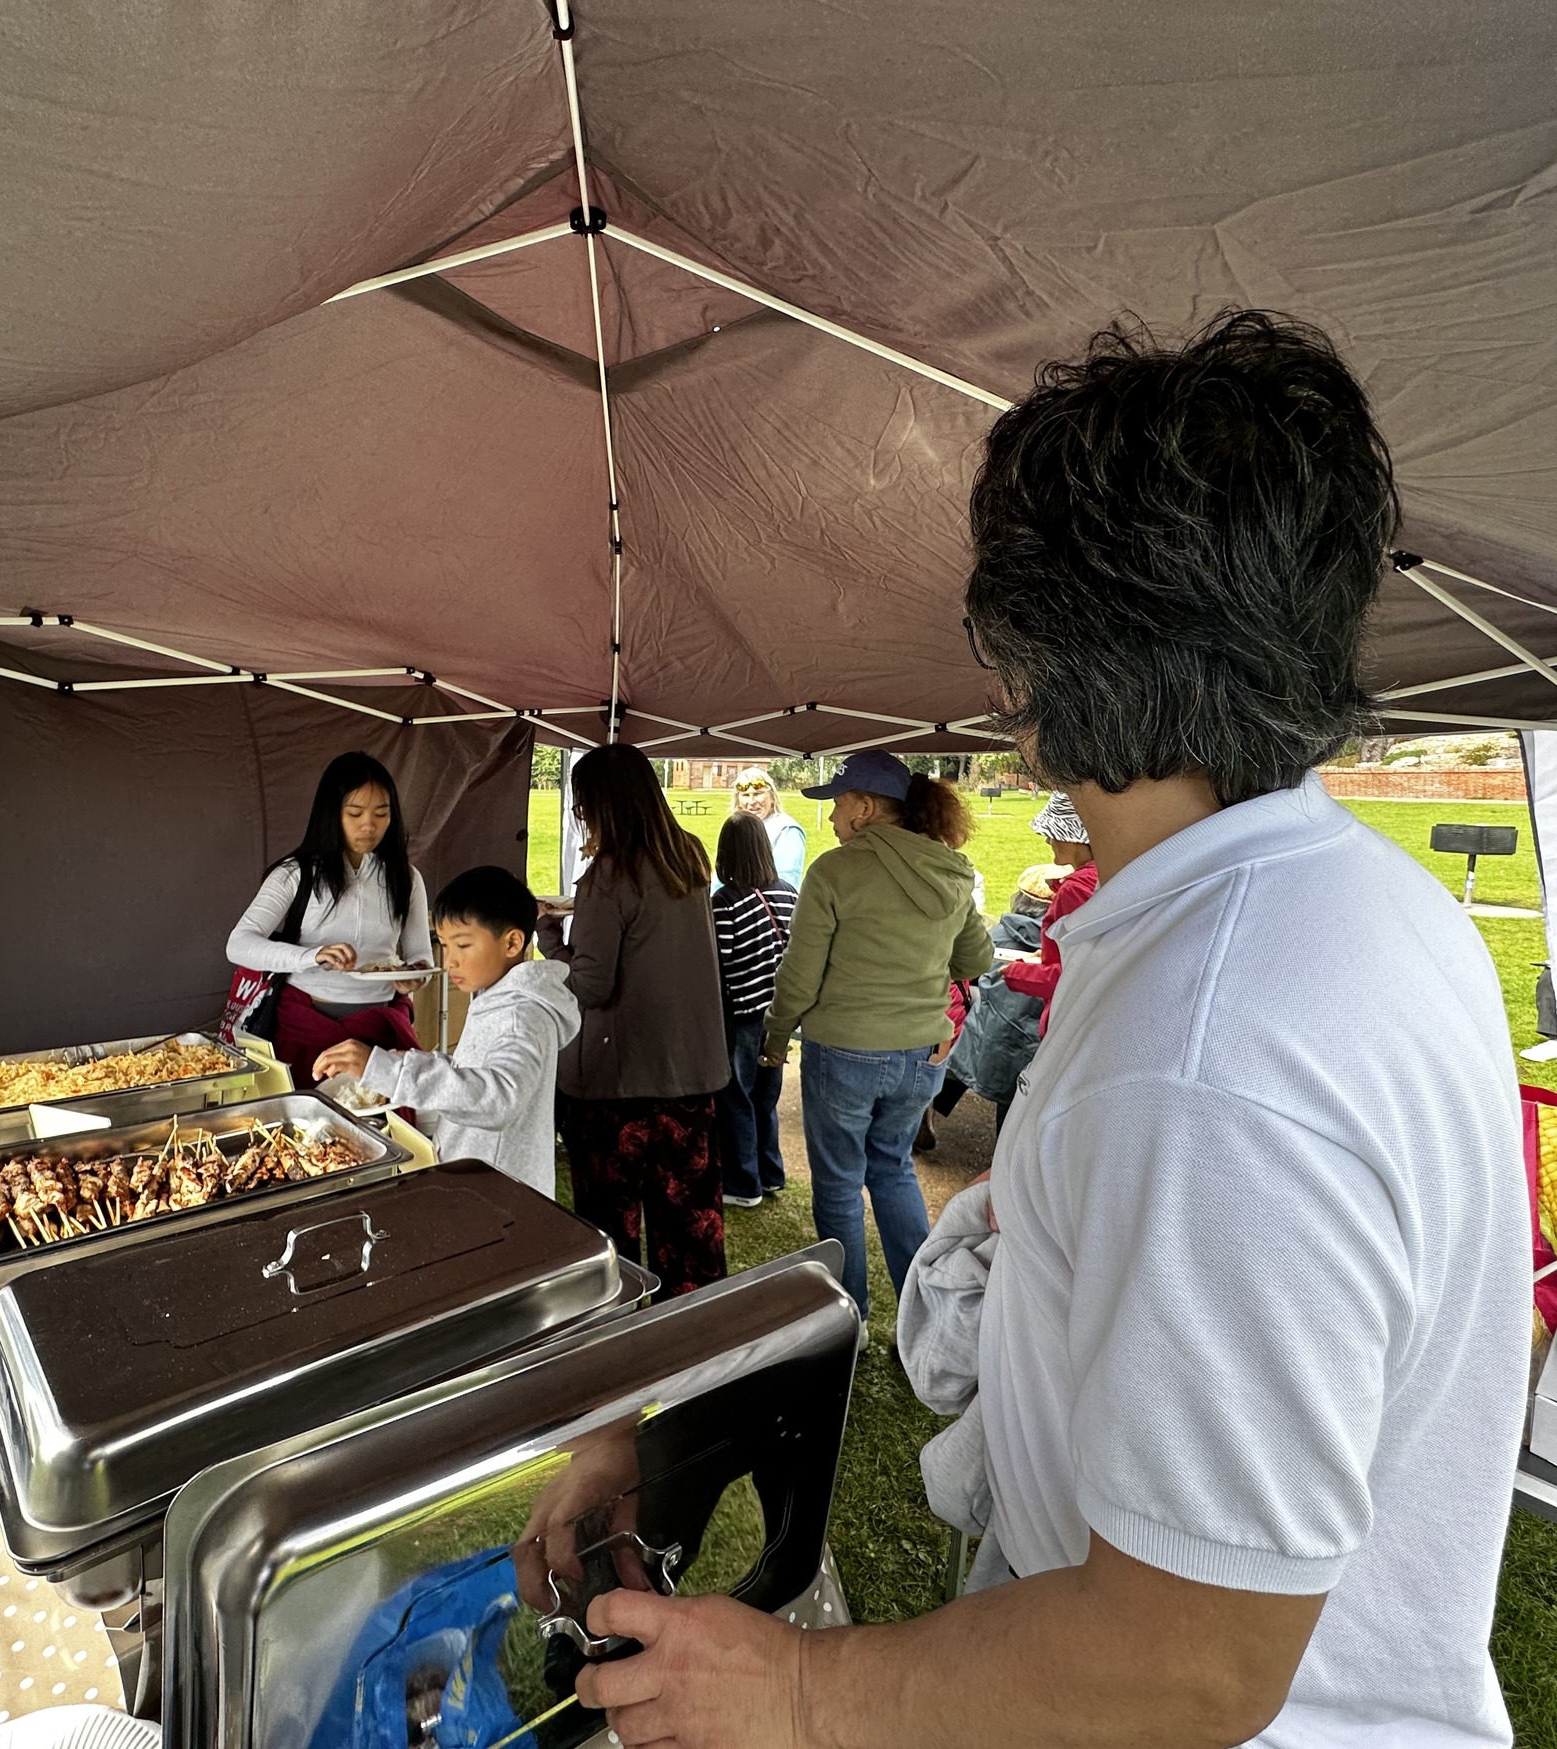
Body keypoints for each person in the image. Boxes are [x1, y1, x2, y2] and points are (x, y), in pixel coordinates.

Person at [571, 314, 1526, 1749]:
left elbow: (1187, 1662)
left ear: (1042, 664)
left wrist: (800, 1692)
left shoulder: (1207, 1051)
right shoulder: (1355, 902)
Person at [760, 748, 992, 1318]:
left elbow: (799, 972)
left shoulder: (835, 870)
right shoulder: (951, 869)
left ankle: (851, 1316)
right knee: (893, 1170)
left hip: (846, 1050)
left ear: (864, 808)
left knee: (839, 1184)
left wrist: (775, 1036)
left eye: (838, 804)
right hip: (921, 1056)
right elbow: (976, 959)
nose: (832, 818)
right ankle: (926, 1317)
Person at [537, 744, 730, 1297]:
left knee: (610, 1237)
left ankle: (621, 1331)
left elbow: (592, 985)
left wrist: (549, 938)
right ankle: (693, 1330)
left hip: (617, 1087)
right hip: (691, 1077)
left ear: (598, 805)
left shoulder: (608, 875)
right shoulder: (687, 857)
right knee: (689, 1231)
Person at [312, 866, 578, 1196]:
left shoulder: (521, 1015)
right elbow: (477, 1071)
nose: (450, 961)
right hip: (477, 1179)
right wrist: (411, 1062)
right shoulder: (498, 996)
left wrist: (390, 1072)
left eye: (463, 946)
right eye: (445, 945)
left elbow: (499, 1099)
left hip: (500, 1193)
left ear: (512, 943)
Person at [225, 751, 431, 1088]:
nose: (369, 825)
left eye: (381, 813)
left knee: (379, 1117)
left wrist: (416, 977)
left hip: (377, 1033)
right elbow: (239, 944)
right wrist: (312, 956)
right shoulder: (296, 874)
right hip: (304, 1027)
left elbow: (420, 954)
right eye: (355, 813)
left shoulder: (406, 879)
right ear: (331, 813)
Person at [710, 812, 797, 1207]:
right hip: (777, 1016)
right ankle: (771, 1173)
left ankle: (743, 1184)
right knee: (765, 1097)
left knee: (736, 1098)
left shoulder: (724, 902)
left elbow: (721, 961)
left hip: (741, 1016)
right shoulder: (789, 893)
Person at [1000, 789, 1097, 1036]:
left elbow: (1074, 976)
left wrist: (1015, 972)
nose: (1047, 841)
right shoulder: (1107, 878)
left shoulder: (1075, 890)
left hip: (1070, 1024)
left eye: (1052, 833)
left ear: (1073, 837)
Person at [729, 766, 807, 888]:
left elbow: (786, 881)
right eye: (745, 795)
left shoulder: (787, 830)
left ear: (772, 797)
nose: (752, 802)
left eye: (758, 794)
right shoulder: (736, 828)